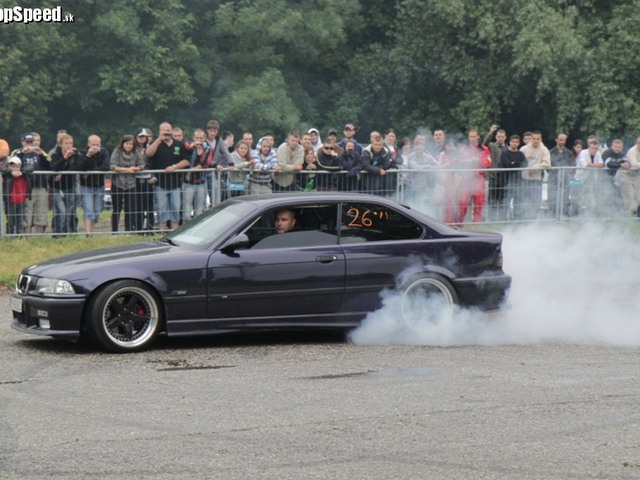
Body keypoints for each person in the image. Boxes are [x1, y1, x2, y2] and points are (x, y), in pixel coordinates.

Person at [145, 122, 190, 231]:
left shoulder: (179, 144)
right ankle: (161, 232)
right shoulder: (157, 144)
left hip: (176, 184)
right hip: (160, 183)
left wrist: (174, 167)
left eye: (168, 130)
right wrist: (158, 140)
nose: (166, 132)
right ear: (159, 131)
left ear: (171, 130)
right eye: (164, 130)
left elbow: (186, 161)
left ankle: (175, 231)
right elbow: (148, 153)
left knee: (176, 208)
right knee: (161, 209)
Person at [12, 132, 50, 233]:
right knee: (26, 212)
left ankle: (39, 237)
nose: (30, 144)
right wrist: (21, 153)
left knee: (40, 213)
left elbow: (49, 165)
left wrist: (41, 154)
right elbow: (11, 164)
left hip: (40, 185)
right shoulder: (17, 152)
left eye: (31, 142)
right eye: (27, 142)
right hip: (25, 187)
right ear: (22, 142)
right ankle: (26, 237)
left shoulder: (40, 152)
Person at [455, 129, 492, 224]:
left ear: (478, 137)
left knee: (479, 204)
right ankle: (459, 223)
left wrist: (478, 160)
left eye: (474, 136)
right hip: (466, 179)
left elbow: (488, 162)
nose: (472, 139)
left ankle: (476, 225)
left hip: (479, 179)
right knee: (462, 203)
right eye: (470, 136)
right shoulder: (463, 149)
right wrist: (466, 161)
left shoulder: (484, 149)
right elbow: (457, 161)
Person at [110, 134, 145, 232]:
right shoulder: (117, 151)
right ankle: (114, 231)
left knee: (129, 208)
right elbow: (113, 166)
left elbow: (142, 164)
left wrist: (135, 168)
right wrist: (126, 170)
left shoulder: (136, 152)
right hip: (118, 183)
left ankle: (128, 230)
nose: (128, 146)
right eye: (127, 143)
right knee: (117, 208)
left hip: (131, 184)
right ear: (122, 143)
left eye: (131, 144)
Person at [78, 135, 110, 234]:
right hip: (86, 186)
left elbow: (106, 167)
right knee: (88, 209)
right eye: (93, 144)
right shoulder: (82, 152)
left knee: (96, 211)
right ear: (88, 144)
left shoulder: (104, 152)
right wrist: (88, 156)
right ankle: (88, 233)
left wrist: (91, 171)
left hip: (99, 185)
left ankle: (92, 231)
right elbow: (81, 167)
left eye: (97, 144)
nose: (95, 147)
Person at [50, 133, 81, 235]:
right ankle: (58, 233)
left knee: (70, 211)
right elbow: (54, 167)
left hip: (70, 186)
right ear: (61, 144)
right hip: (57, 188)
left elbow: (77, 167)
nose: (69, 145)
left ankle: (69, 232)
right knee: (61, 211)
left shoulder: (75, 154)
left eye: (71, 143)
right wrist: (65, 157)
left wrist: (62, 173)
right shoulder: (55, 154)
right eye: (66, 143)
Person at [519, 130, 551, 219]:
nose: (536, 140)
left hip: (536, 179)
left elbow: (547, 164)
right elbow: (519, 161)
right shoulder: (524, 149)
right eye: (534, 138)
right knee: (524, 200)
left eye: (538, 139)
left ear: (541, 139)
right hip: (524, 179)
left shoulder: (544, 150)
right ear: (531, 139)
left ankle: (534, 220)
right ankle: (523, 218)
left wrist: (535, 167)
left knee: (535, 200)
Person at [183, 128, 213, 222]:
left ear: (204, 138)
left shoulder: (207, 149)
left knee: (199, 210)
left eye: (201, 138)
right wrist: (192, 147)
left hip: (201, 182)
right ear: (193, 138)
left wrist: (190, 170)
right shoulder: (188, 147)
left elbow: (205, 164)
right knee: (186, 210)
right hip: (188, 183)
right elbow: (185, 151)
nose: (199, 140)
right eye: (197, 138)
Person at [497, 134, 528, 221]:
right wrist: (517, 164)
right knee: (505, 203)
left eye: (516, 142)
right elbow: (507, 165)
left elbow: (525, 164)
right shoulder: (504, 154)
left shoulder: (521, 154)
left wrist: (514, 163)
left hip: (518, 183)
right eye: (513, 141)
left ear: (519, 143)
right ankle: (503, 221)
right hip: (507, 183)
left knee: (518, 203)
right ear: (509, 142)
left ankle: (516, 220)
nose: (514, 143)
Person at [204, 120, 232, 206]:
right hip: (205, 170)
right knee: (204, 196)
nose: (213, 133)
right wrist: (214, 164)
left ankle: (215, 207)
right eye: (211, 131)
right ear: (207, 130)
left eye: (215, 131)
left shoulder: (218, 140)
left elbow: (225, 152)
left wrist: (231, 163)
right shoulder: (204, 141)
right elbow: (204, 157)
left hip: (214, 172)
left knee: (215, 195)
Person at [483, 125, 508, 221]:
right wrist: (490, 133)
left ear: (505, 137)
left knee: (502, 201)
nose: (500, 138)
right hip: (493, 177)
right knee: (492, 201)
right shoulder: (492, 146)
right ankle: (491, 220)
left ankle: (502, 220)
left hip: (504, 178)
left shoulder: (508, 148)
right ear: (496, 137)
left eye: (502, 137)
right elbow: (484, 144)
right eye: (499, 136)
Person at [134, 128, 156, 231]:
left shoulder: (151, 148)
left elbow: (155, 162)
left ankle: (150, 227)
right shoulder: (133, 148)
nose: (142, 138)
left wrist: (154, 176)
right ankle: (138, 228)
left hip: (149, 178)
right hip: (136, 179)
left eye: (144, 137)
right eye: (140, 136)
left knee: (149, 205)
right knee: (138, 205)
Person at [548, 133, 575, 217]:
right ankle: (552, 214)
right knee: (552, 196)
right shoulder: (550, 152)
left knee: (565, 196)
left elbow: (572, 165)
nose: (562, 142)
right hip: (553, 178)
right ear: (556, 140)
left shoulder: (569, 153)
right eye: (560, 140)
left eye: (564, 140)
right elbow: (548, 165)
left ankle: (564, 213)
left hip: (565, 178)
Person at [1, 156, 29, 235]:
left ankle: (19, 237)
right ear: (9, 166)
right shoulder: (7, 174)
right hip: (10, 201)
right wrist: (11, 172)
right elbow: (2, 168)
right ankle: (10, 236)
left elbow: (30, 168)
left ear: (20, 166)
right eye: (13, 166)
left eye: (17, 166)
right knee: (10, 221)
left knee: (20, 221)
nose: (15, 168)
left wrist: (22, 172)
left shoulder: (24, 174)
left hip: (21, 201)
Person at [617, 137, 640, 215]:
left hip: (636, 175)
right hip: (626, 175)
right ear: (637, 143)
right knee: (629, 196)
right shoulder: (632, 151)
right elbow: (634, 164)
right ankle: (628, 216)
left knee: (637, 196)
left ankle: (633, 215)